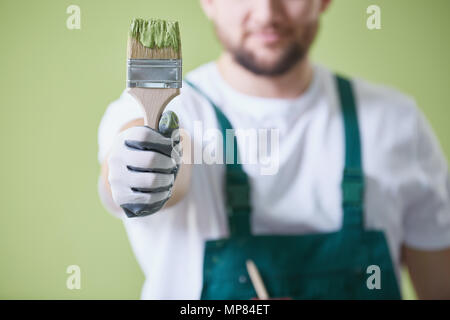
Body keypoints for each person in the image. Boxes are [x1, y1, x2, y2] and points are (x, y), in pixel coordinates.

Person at [97, 0, 450, 299]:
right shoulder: (171, 113)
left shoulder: (397, 123)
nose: (267, 13)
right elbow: (167, 157)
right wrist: (137, 173)